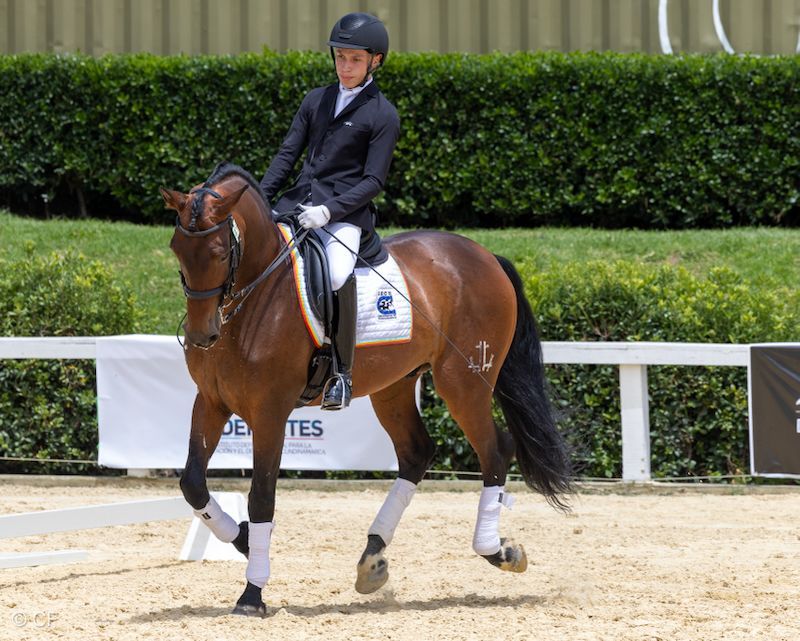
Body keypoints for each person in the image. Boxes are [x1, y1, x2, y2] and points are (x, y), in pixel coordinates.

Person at [260, 12, 400, 411]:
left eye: (355, 59)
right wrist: (259, 199)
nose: (346, 67)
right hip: (297, 205)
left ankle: (341, 372)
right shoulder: (316, 100)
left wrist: (330, 210)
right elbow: (287, 155)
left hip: (343, 216)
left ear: (375, 61)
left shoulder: (382, 115)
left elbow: (373, 181)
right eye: (340, 57)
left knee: (337, 273)